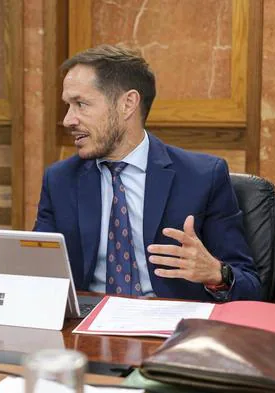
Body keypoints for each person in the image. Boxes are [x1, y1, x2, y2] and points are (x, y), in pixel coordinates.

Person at [34, 45, 260, 302]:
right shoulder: (60, 180)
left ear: (127, 104)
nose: (68, 120)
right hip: (86, 325)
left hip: (171, 328)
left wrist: (216, 274)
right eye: (68, 105)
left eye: (81, 104)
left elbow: (250, 285)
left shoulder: (202, 177)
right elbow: (37, 273)